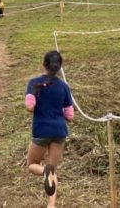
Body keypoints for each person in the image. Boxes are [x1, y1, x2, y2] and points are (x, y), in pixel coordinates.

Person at [25, 51, 74, 208]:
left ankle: (43, 172)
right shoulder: (64, 87)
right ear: (59, 67)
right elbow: (70, 115)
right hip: (60, 131)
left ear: (43, 64)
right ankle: (51, 205)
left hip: (41, 130)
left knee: (32, 164)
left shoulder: (34, 83)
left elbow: (29, 106)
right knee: (53, 169)